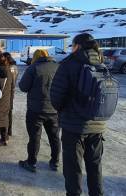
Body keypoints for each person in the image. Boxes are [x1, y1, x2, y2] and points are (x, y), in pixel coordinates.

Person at [50, 33, 106, 196]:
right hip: (98, 125)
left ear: (77, 46)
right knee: (95, 167)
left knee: (73, 170)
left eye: (72, 45)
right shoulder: (101, 62)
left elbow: (56, 98)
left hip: (73, 127)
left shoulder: (69, 64)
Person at [18, 49, 61, 173]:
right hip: (54, 109)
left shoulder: (33, 68)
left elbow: (23, 87)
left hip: (36, 110)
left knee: (34, 137)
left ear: (35, 57)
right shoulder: (58, 67)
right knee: (54, 137)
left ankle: (31, 162)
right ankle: (55, 162)